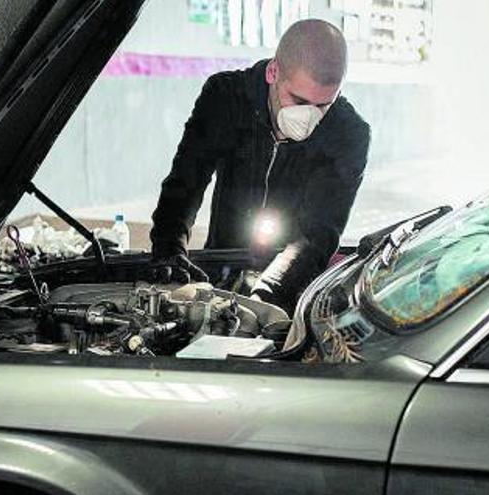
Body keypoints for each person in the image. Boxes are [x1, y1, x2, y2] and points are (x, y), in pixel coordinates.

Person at [147, 19, 370, 310]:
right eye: (298, 100)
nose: (309, 117)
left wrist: (269, 293)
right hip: (220, 268)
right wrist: (169, 248)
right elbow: (186, 181)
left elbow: (318, 232)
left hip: (290, 287)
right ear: (273, 71)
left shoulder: (348, 133)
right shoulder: (226, 96)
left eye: (322, 106)